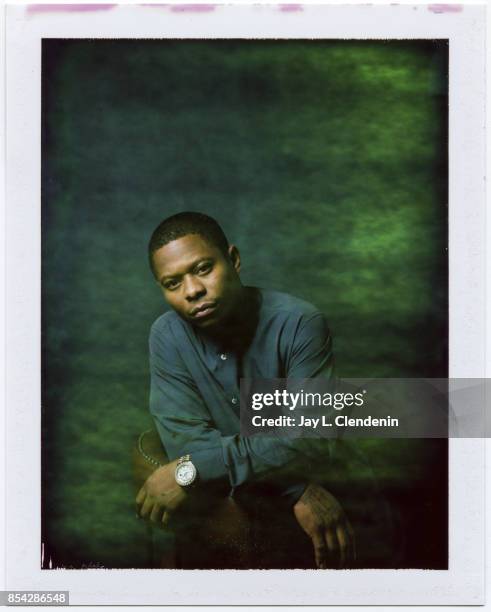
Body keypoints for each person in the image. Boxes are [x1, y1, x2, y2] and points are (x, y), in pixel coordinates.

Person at [136, 211, 358, 569]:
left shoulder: (300, 323)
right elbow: (187, 446)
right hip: (245, 498)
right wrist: (297, 489)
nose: (192, 290)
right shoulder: (167, 335)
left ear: (234, 260)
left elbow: (310, 439)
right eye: (172, 283)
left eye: (204, 268)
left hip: (314, 489)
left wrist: (193, 469)